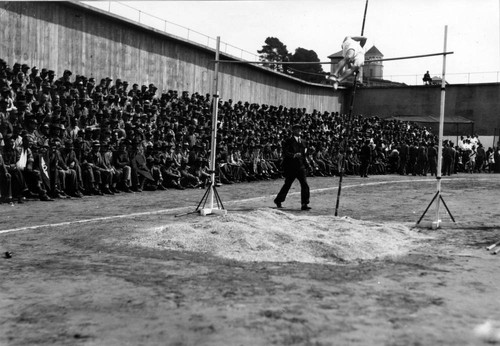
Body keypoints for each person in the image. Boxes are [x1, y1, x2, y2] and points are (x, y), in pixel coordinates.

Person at [273, 124, 311, 210]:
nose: (298, 131)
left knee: (304, 184)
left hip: (300, 166)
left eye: (299, 129)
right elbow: (285, 152)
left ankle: (304, 203)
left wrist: (307, 165)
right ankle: (278, 200)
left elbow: (304, 155)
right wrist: (293, 155)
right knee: (287, 184)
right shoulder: (288, 141)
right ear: (293, 131)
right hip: (291, 167)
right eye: (296, 129)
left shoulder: (304, 142)